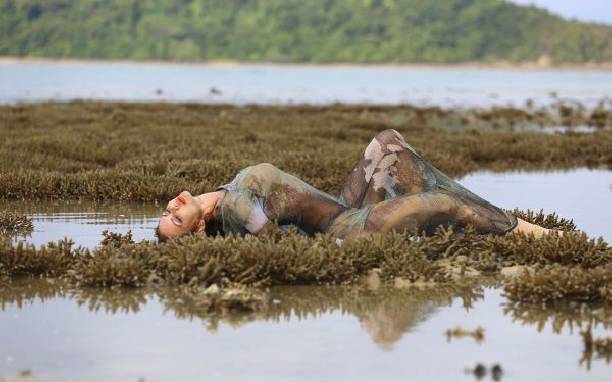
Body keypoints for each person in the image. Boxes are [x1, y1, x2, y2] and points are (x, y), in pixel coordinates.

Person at [156, 129, 555, 241]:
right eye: (175, 221)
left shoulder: (228, 192)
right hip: (353, 231)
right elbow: (269, 238)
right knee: (443, 202)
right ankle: (520, 229)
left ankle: (461, 219)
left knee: (386, 144)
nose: (171, 209)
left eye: (166, 212)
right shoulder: (233, 208)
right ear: (200, 226)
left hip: (345, 210)